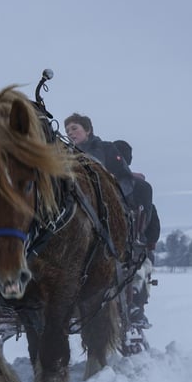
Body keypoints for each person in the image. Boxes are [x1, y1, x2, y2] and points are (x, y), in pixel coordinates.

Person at [64, 113, 160, 328]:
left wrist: (110, 197)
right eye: (67, 130)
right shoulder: (64, 156)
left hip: (107, 213)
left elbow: (126, 180)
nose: (70, 133)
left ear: (88, 130)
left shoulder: (107, 150)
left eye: (75, 128)